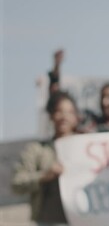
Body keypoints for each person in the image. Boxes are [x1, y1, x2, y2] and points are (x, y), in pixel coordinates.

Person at [12, 92, 79, 226]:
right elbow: (17, 183)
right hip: (47, 221)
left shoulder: (87, 149)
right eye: (59, 111)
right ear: (51, 116)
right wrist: (44, 176)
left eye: (69, 112)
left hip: (82, 220)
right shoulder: (36, 150)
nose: (64, 117)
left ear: (76, 117)